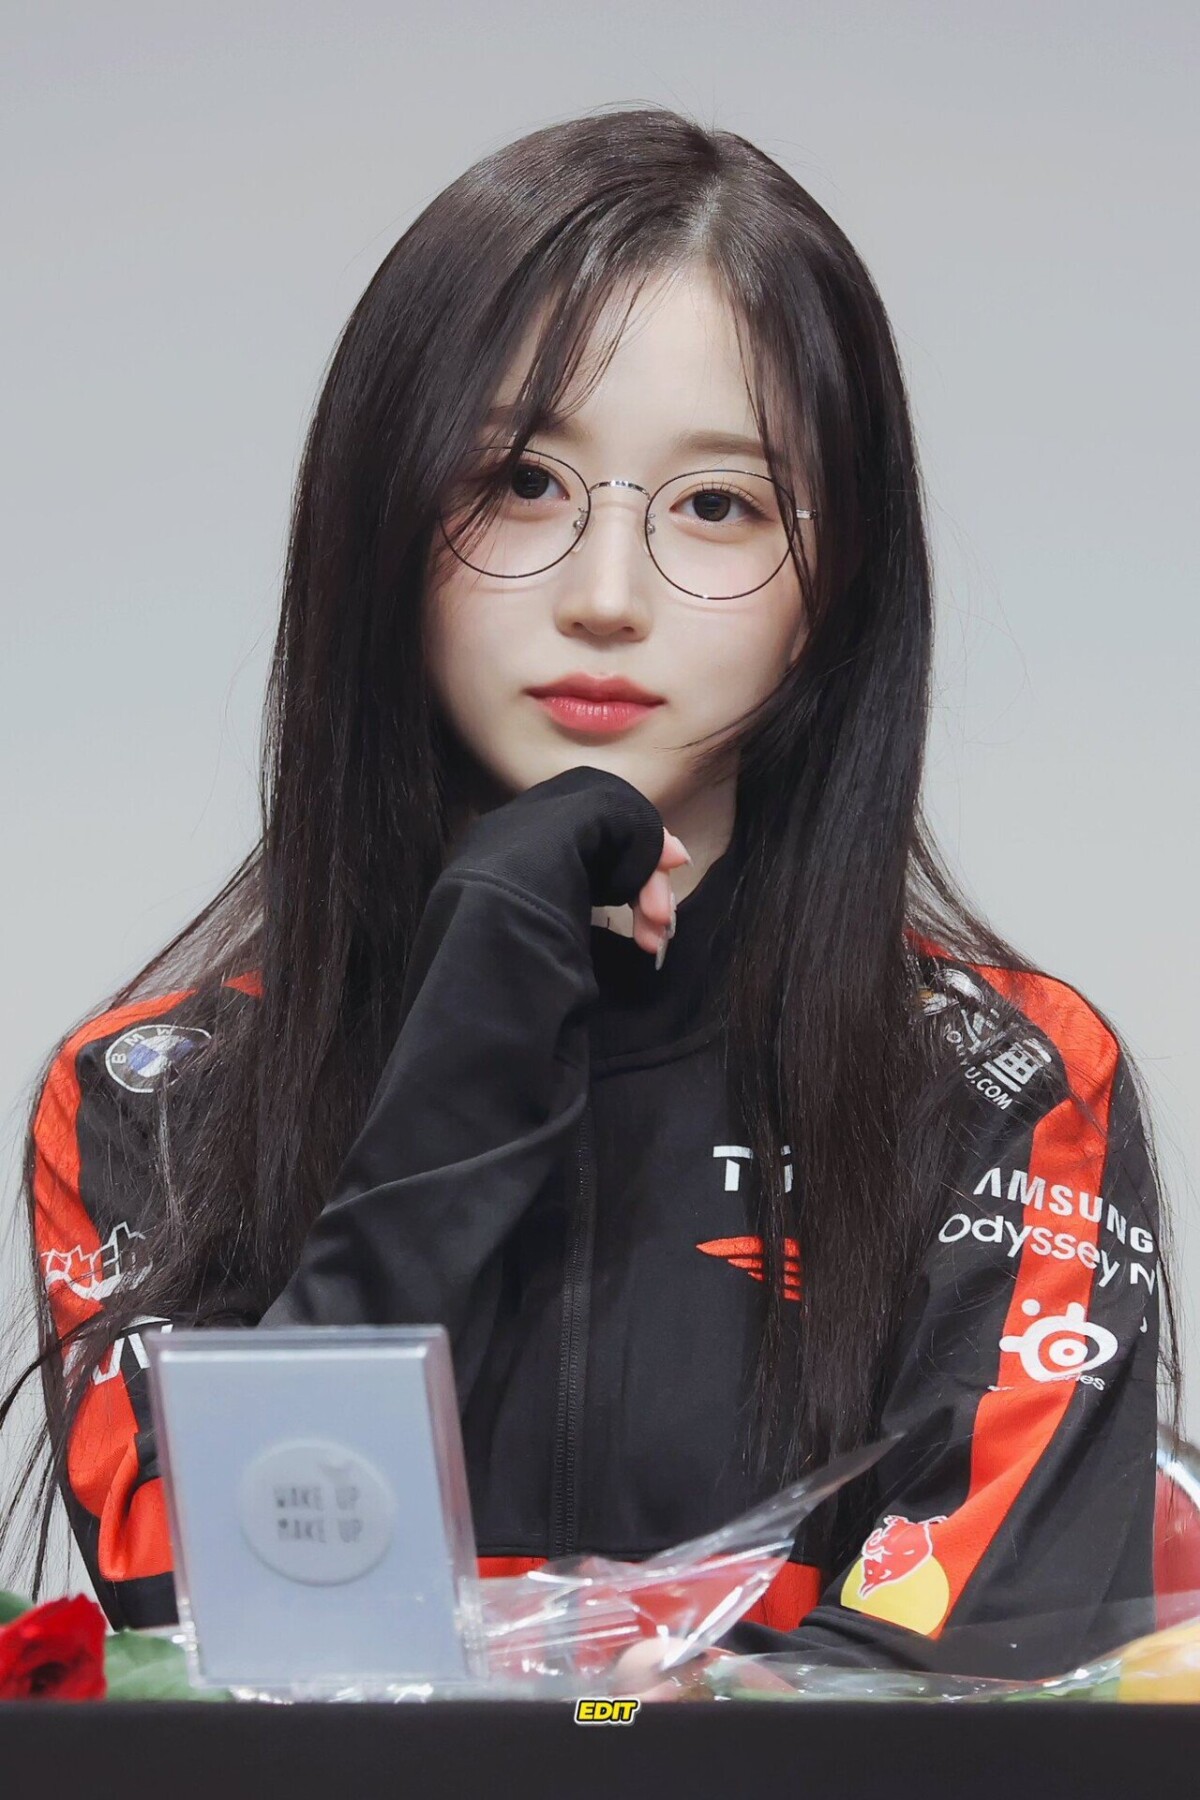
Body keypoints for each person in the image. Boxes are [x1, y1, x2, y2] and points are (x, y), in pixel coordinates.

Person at [1, 106, 1176, 1684]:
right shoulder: (152, 1098)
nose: (605, 599)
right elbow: (229, 1639)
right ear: (378, 519)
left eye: (719, 505)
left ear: (839, 584)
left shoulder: (1003, 1088)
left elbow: (977, 1687)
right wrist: (471, 1024)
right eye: (521, 482)